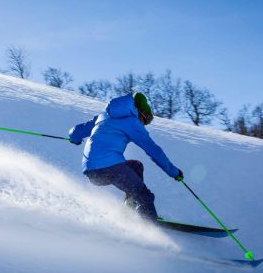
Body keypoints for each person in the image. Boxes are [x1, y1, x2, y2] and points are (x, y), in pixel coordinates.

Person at [68, 92, 183, 223]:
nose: (143, 125)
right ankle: (149, 224)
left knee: (136, 166)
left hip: (91, 172)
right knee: (144, 195)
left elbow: (77, 132)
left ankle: (129, 208)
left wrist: (75, 139)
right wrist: (174, 172)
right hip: (110, 168)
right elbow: (153, 151)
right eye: (144, 121)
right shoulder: (132, 122)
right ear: (140, 112)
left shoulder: (103, 116)